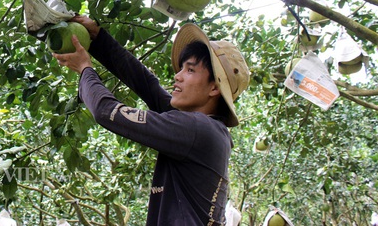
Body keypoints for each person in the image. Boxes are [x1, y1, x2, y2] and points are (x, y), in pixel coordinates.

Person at [52, 16, 250, 226]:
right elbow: (147, 85)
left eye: (190, 70)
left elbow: (106, 111)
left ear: (214, 88)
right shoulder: (207, 129)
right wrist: (97, 38)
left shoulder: (197, 129)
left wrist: (85, 70)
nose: (178, 76)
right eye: (181, 68)